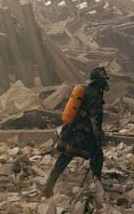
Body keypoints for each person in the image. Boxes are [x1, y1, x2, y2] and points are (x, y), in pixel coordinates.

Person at [42, 67, 110, 200]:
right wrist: (99, 137)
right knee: (97, 156)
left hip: (70, 130)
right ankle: (97, 185)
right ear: (99, 83)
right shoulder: (95, 96)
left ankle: (48, 187)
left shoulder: (84, 91)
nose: (105, 84)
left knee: (65, 157)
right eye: (103, 82)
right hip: (83, 134)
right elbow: (96, 118)